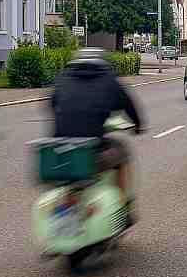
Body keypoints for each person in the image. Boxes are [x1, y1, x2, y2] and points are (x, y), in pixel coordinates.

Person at [50, 48, 145, 221]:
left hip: (59, 154)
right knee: (121, 152)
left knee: (67, 175)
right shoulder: (108, 81)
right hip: (90, 153)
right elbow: (128, 105)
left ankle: (67, 208)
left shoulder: (62, 79)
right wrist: (138, 126)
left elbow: (51, 105)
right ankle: (123, 208)